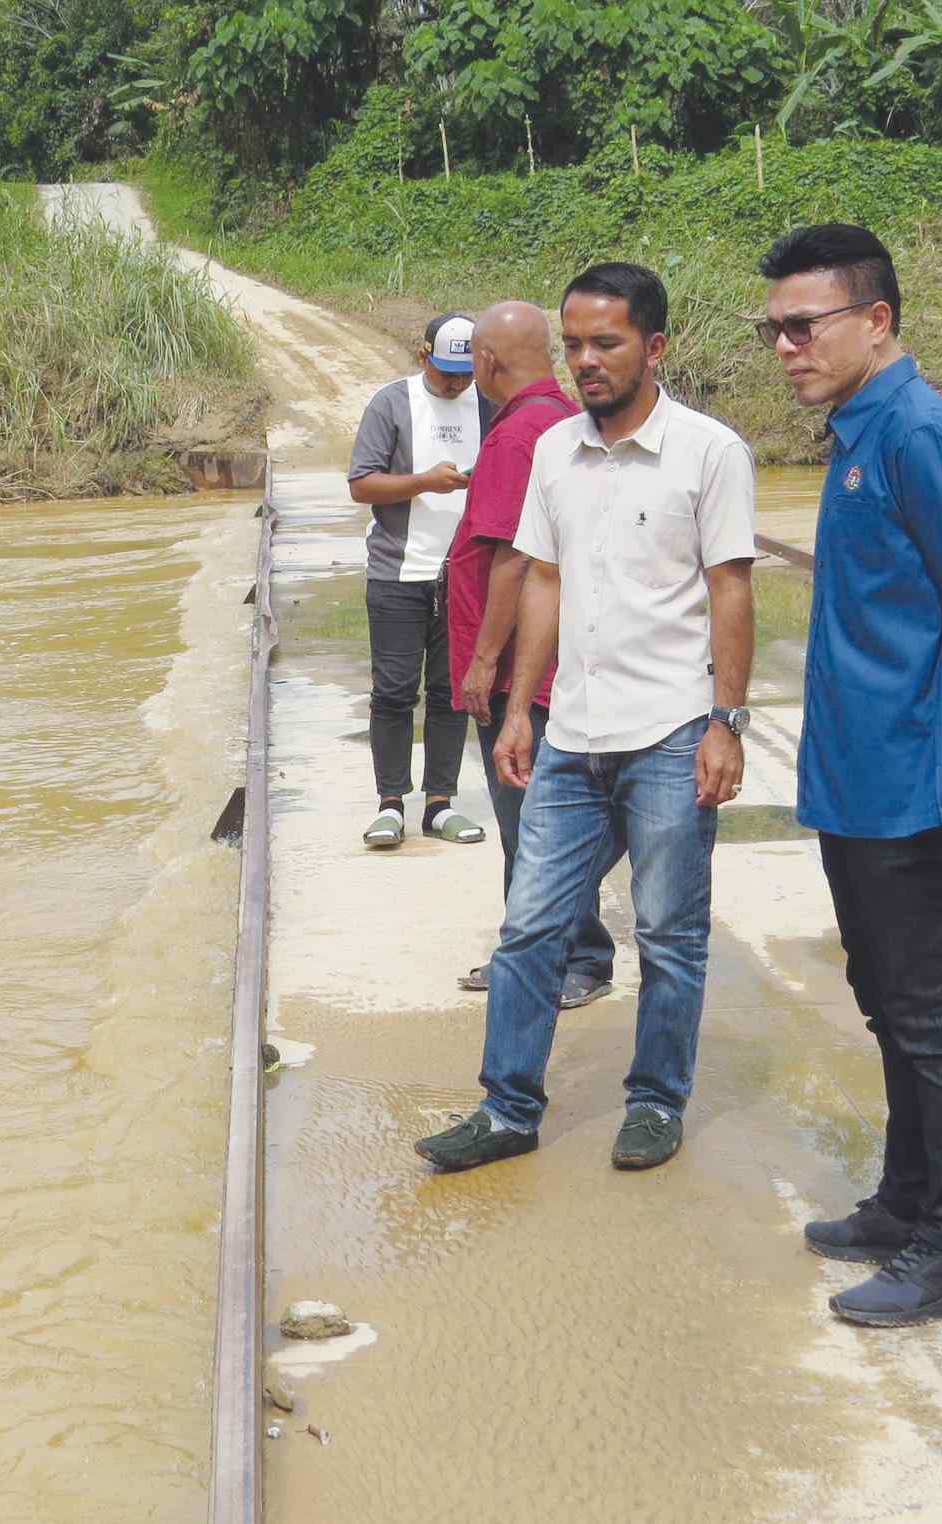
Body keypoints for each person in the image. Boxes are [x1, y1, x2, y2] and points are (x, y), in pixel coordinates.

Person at [414, 263, 757, 1175]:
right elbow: (545, 581)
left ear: (655, 347)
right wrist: (522, 706)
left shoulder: (709, 453)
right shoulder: (556, 450)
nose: (586, 361)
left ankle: (654, 1101)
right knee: (530, 927)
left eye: (606, 343)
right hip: (571, 733)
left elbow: (730, 590)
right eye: (573, 344)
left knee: (669, 931)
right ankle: (507, 1108)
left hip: (673, 731)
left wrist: (727, 721)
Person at [757, 223, 942, 1328]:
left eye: (801, 325)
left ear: (874, 320)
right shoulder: (855, 429)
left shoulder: (918, 432)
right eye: (771, 328)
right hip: (856, 776)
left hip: (907, 783)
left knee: (927, 1015)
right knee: (883, 1000)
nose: (783, 346)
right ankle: (907, 1199)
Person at [443, 299, 615, 1012]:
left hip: (523, 668)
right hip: (548, 660)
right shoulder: (556, 421)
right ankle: (529, 950)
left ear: (486, 362)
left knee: (533, 824)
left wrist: (486, 664)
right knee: (537, 821)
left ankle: (573, 956)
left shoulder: (520, 436)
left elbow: (514, 559)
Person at [347, 313, 491, 851]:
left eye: (465, 373)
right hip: (398, 571)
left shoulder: (489, 406)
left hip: (463, 574)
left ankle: (439, 804)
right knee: (393, 691)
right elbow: (362, 484)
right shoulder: (391, 403)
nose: (455, 383)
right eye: (447, 370)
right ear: (423, 353)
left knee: (452, 693)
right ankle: (389, 804)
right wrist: (425, 482)